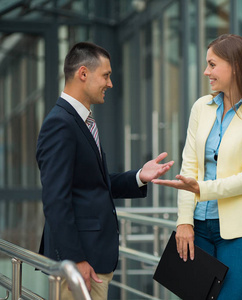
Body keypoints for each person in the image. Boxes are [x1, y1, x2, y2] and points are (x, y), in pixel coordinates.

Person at [36, 41, 174, 299]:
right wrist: (74, 259)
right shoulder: (60, 124)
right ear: (83, 74)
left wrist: (138, 177)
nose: (110, 84)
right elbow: (56, 199)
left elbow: (92, 184)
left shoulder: (80, 120)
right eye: (106, 75)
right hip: (81, 264)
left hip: (93, 260)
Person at [152, 34, 242, 299]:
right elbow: (189, 167)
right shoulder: (202, 107)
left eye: (212, 64)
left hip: (238, 233)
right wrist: (184, 222)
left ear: (234, 65)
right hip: (197, 228)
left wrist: (201, 188)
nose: (206, 72)